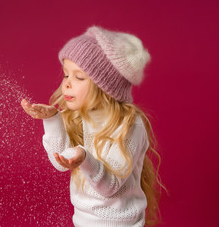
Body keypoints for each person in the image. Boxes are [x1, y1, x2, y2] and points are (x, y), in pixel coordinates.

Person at [21, 26, 165, 227]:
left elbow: (111, 186)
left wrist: (84, 157)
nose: (67, 84)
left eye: (79, 77)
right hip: (82, 222)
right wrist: (52, 119)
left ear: (106, 88)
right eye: (65, 75)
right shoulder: (83, 117)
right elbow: (61, 163)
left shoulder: (130, 125)